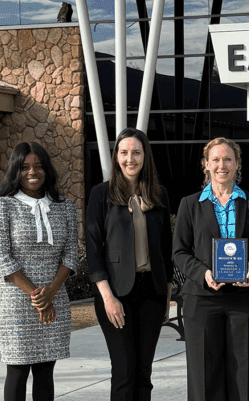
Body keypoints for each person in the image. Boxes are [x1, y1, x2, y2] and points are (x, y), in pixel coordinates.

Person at [173, 137, 249, 401]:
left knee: (244, 376)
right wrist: (204, 274)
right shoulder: (189, 204)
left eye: (228, 159)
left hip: (245, 301)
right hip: (202, 300)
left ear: (237, 163)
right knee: (204, 379)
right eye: (216, 159)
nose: (222, 165)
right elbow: (180, 252)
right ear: (206, 164)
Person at [86, 128, 173, 400]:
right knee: (124, 372)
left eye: (136, 152)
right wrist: (108, 297)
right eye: (124, 153)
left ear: (145, 156)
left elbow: (166, 248)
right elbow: (93, 248)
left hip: (152, 293)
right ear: (116, 157)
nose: (130, 159)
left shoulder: (159, 194)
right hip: (115, 295)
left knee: (143, 374)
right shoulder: (101, 194)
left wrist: (167, 296)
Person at [0, 142, 78, 401]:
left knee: (45, 370)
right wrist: (39, 297)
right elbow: (2, 260)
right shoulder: (1, 206)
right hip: (16, 303)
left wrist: (51, 292)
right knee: (16, 369)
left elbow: (71, 255)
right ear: (16, 170)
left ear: (46, 170)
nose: (32, 172)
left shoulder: (65, 206)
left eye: (38, 166)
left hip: (55, 296)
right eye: (25, 167)